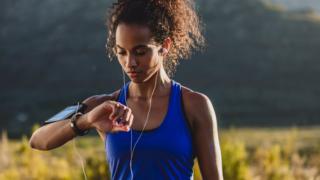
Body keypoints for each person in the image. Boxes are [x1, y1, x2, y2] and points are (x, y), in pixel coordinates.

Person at [29, 0, 223, 179]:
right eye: (121, 52)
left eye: (140, 52)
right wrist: (86, 121)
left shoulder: (194, 105)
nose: (130, 63)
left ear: (165, 46)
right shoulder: (102, 106)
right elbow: (38, 139)